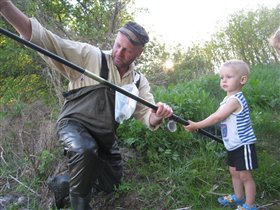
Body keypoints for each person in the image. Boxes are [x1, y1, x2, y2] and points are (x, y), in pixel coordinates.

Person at [0, 1, 173, 209]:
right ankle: (80, 204)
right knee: (85, 150)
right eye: (118, 45)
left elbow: (147, 116)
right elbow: (47, 40)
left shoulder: (138, 82)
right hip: (73, 125)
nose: (119, 52)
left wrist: (159, 115)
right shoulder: (90, 56)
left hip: (104, 137)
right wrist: (5, 7)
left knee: (111, 184)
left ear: (139, 53)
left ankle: (63, 183)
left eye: (127, 50)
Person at [184, 60, 258, 210]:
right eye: (221, 77)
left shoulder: (235, 100)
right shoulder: (226, 100)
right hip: (232, 144)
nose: (223, 80)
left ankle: (250, 205)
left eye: (228, 77)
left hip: (243, 144)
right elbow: (218, 117)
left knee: (245, 175)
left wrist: (197, 125)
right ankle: (238, 197)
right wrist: (200, 126)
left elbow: (216, 118)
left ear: (242, 80)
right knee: (233, 172)